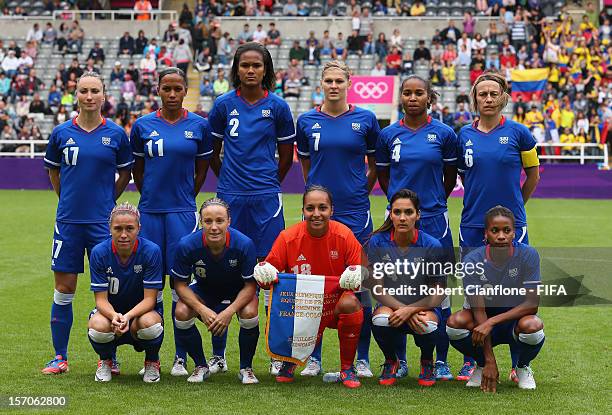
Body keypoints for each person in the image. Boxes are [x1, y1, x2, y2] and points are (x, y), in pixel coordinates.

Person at [208, 42, 295, 375]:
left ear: (265, 69)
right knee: (225, 271)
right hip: (230, 197)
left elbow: (286, 155)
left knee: (271, 273)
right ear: (237, 68)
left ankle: (276, 354)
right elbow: (213, 152)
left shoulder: (278, 107)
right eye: (244, 65)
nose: (250, 71)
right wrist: (230, 181)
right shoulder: (223, 105)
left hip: (265, 200)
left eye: (256, 66)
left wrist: (270, 181)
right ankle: (218, 354)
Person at [42, 72, 133, 374]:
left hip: (101, 225)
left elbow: (124, 174)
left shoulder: (117, 135)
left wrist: (108, 201)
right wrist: (66, 198)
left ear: (104, 96)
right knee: (64, 289)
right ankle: (60, 357)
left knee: (110, 292)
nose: (89, 96)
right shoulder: (60, 133)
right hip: (68, 222)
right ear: (76, 94)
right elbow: (54, 173)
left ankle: (108, 356)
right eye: (84, 91)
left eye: (95, 91)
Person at [295, 60, 380, 378]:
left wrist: (360, 190)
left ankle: (362, 358)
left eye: (338, 81)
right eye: (328, 80)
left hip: (356, 212)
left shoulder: (366, 119)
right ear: (321, 84)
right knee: (314, 287)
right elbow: (306, 166)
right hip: (318, 214)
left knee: (360, 286)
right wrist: (316, 197)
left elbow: (374, 165)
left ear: (349, 83)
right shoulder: (306, 121)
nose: (333, 85)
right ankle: (313, 357)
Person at [456, 71, 539, 381]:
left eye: (494, 93)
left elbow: (533, 176)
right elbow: (465, 177)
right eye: (482, 94)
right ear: (474, 98)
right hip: (473, 225)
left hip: (512, 227)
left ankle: (520, 365)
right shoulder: (462, 135)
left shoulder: (520, 134)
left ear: (504, 97)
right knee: (473, 297)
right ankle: (477, 361)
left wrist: (516, 212)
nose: (488, 99)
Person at [376, 75, 460, 381]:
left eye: (419, 93)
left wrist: (433, 202)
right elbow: (384, 178)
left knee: (441, 290)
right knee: (395, 284)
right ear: (401, 98)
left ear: (429, 98)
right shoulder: (387, 135)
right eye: (407, 93)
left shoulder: (444, 133)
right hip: (397, 216)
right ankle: (398, 359)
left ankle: (440, 360)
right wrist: (400, 205)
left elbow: (449, 177)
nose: (413, 98)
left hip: (434, 217)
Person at [131, 67, 212, 377]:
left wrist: (185, 197)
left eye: (179, 88)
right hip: (150, 212)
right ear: (159, 90)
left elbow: (202, 168)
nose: (174, 94)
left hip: (182, 213)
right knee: (153, 285)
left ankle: (180, 356)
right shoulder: (142, 126)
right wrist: (150, 195)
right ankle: (153, 357)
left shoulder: (199, 126)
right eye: (168, 88)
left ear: (184, 91)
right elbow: (138, 169)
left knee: (180, 285)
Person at [254, 186, 366, 388]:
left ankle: (347, 369)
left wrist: (359, 272)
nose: (316, 214)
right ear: (303, 210)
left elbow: (365, 271)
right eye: (310, 208)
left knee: (351, 303)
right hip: (301, 307)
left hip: (333, 304)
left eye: (322, 208)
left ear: (331, 210)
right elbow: (268, 274)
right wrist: (263, 271)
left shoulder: (344, 235)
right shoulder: (288, 237)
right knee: (282, 299)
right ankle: (289, 361)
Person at [446, 206, 545, 392]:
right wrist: (489, 360)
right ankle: (481, 365)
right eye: (495, 230)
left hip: (513, 323)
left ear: (514, 233)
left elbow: (532, 304)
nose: (501, 236)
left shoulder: (529, 255)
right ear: (486, 234)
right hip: (480, 320)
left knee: (533, 326)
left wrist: (492, 322)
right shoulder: (472, 261)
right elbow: (478, 310)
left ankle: (522, 367)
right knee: (455, 323)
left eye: (506, 230)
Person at [171, 198, 260, 384]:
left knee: (250, 313)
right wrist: (202, 310)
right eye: (208, 221)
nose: (214, 227)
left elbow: (251, 286)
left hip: (238, 291)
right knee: (181, 312)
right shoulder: (186, 245)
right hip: (204, 290)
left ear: (229, 221)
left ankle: (246, 368)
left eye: (219, 221)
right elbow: (179, 284)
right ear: (201, 222)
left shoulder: (244, 244)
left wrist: (229, 311)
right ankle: (200, 366)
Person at [366, 189, 445, 387]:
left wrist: (410, 310)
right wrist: (401, 309)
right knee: (380, 319)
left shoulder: (432, 245)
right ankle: (391, 360)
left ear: (418, 215)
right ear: (390, 214)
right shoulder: (378, 242)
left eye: (408, 212)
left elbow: (439, 294)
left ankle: (427, 360)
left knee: (429, 324)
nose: (402, 218)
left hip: (422, 307)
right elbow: (377, 289)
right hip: (390, 305)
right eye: (397, 212)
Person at [88, 203, 164, 383]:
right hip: (111, 316)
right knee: (97, 326)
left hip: (141, 315)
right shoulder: (99, 252)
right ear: (110, 228)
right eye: (118, 228)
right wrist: (115, 316)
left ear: (139, 228)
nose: (123, 234)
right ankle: (106, 361)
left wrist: (127, 317)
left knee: (151, 325)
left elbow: (150, 300)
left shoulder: (151, 251)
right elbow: (100, 300)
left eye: (129, 228)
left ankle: (152, 361)